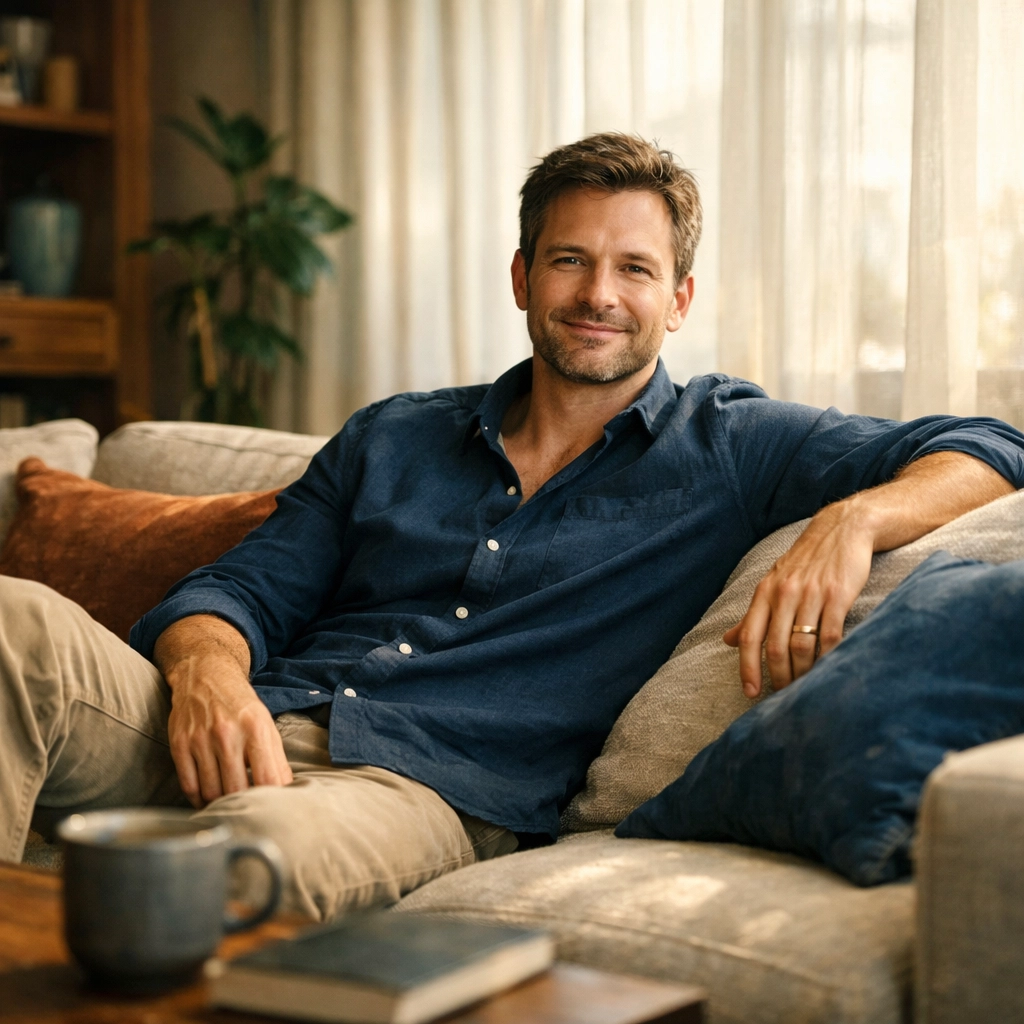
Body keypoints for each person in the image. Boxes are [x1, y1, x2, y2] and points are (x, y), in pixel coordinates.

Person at [2, 133, 1022, 920]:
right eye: (570, 260)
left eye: (633, 269)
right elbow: (242, 588)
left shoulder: (735, 444)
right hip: (246, 719)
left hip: (420, 792)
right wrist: (209, 672)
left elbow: (992, 443)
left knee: (231, 867)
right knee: (15, 623)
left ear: (678, 299)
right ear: (521, 276)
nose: (597, 295)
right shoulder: (394, 434)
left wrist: (853, 517)